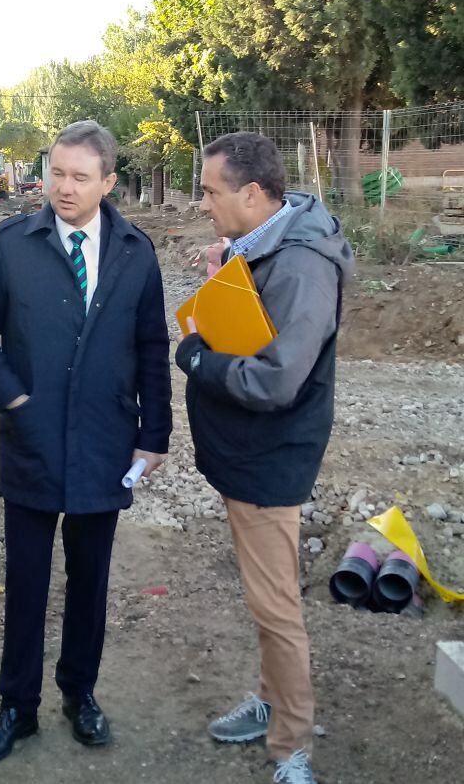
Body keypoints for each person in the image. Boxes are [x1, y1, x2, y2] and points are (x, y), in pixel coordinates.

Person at [0, 120, 172, 765]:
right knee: (25, 581)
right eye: (57, 172)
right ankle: (16, 706)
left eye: (81, 177)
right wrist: (14, 401)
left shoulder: (136, 251)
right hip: (31, 442)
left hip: (104, 443)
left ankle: (79, 693)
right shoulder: (14, 244)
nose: (64, 188)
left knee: (90, 580)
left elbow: (153, 345)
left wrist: (153, 433)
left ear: (109, 182)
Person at [175, 132, 355, 784]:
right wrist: (229, 260)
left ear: (253, 194)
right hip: (248, 453)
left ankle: (291, 746)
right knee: (265, 597)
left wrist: (199, 358)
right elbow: (261, 297)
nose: (202, 203)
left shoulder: (305, 267)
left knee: (276, 606)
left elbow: (277, 380)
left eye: (211, 192)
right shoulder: (274, 240)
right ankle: (273, 701)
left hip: (270, 458)